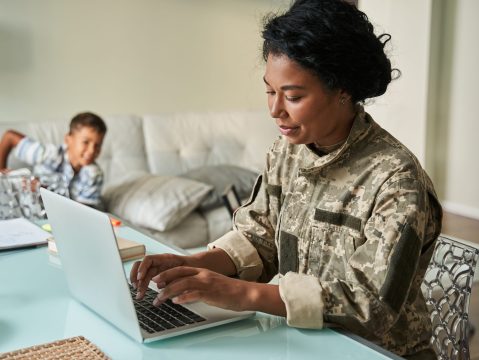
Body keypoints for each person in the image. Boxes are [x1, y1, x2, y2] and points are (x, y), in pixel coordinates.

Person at [130, 1, 442, 358]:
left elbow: (370, 306)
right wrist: (195, 265)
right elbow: (259, 237)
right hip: (297, 342)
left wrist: (241, 293)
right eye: (269, 91)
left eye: (292, 96)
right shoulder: (287, 151)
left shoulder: (395, 178)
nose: (275, 109)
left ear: (343, 91)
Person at [0, 111, 107, 208]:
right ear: (67, 139)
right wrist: (2, 176)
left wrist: (43, 191)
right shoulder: (49, 155)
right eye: (85, 142)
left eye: (98, 145)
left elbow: (82, 212)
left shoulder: (94, 174)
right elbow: (9, 137)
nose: (92, 150)